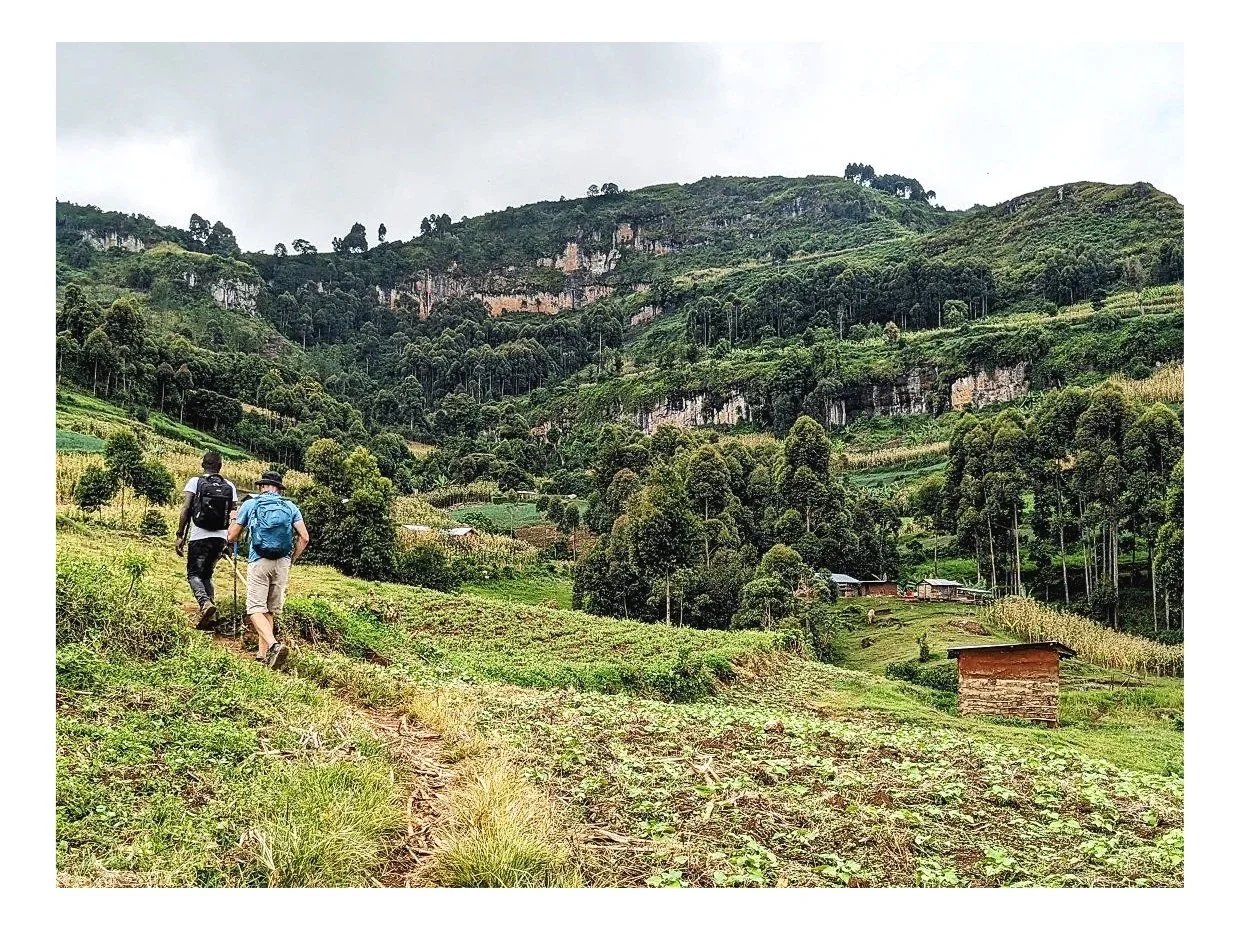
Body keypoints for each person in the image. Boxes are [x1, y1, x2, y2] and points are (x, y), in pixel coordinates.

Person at [228, 470, 309, 670]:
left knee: (255, 609)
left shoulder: (251, 504)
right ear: (280, 489)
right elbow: (304, 538)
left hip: (259, 561)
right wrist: (292, 558)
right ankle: (262, 655)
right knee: (269, 610)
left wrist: (232, 520)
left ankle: (273, 646)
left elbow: (232, 536)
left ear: (262, 487)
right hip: (282, 562)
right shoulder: (291, 507)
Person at [176, 450, 239, 631]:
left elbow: (186, 509)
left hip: (199, 536)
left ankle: (205, 604)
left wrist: (180, 535)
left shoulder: (196, 482)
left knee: (194, 574)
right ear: (220, 467)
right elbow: (233, 514)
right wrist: (230, 541)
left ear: (203, 465)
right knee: (207, 575)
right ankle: (211, 614)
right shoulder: (230, 486)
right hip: (220, 538)